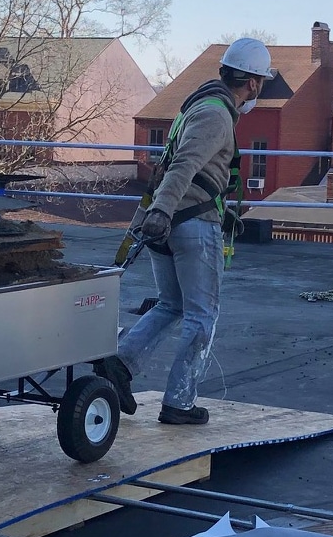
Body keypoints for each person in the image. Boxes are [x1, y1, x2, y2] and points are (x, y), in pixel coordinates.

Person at [95, 38, 273, 425]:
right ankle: (179, 402)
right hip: (190, 224)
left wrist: (156, 213)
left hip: (167, 224)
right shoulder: (215, 116)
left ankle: (121, 364)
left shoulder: (195, 107)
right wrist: (161, 210)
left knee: (171, 304)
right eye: (261, 83)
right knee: (203, 315)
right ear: (253, 82)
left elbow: (172, 166)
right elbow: (183, 166)